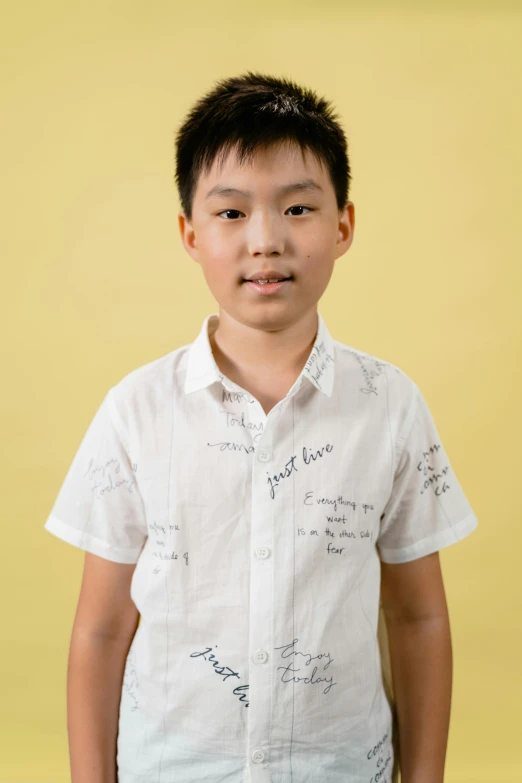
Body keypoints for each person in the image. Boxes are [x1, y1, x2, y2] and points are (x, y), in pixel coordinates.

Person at [44, 71, 479, 783]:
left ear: (344, 226)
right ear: (190, 233)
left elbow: (417, 617)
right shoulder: (136, 411)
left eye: (299, 208)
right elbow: (100, 628)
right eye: (232, 213)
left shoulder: (390, 406)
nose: (267, 240)